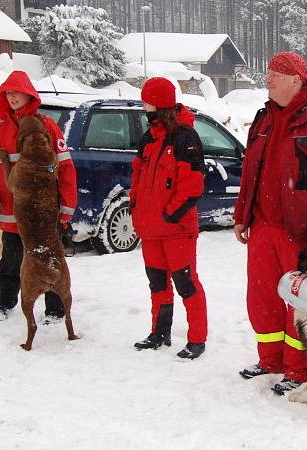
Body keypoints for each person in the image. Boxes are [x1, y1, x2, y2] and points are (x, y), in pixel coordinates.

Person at [233, 51, 307, 395]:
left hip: (302, 232)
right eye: (268, 72)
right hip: (263, 227)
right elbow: (249, 174)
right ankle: (269, 358)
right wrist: (242, 216)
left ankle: (298, 369)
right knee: (261, 296)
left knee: (299, 302)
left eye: (275, 74)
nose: (267, 79)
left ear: (296, 80)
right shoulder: (263, 118)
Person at [0, 70, 77, 322]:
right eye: (8, 93)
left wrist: (67, 205)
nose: (12, 97)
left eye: (16, 92)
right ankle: (3, 305)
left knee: (48, 258)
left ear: (28, 94)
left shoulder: (47, 125)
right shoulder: (0, 131)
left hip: (43, 212)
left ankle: (55, 310)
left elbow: (65, 166)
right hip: (13, 212)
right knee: (11, 261)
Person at [130, 77, 208, 360]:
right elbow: (137, 176)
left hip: (176, 230)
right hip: (151, 229)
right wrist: (135, 206)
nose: (143, 106)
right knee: (158, 284)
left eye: (146, 101)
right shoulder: (149, 138)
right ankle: (159, 333)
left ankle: (197, 339)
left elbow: (191, 187)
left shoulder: (186, 138)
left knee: (186, 283)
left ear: (159, 104)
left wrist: (169, 215)